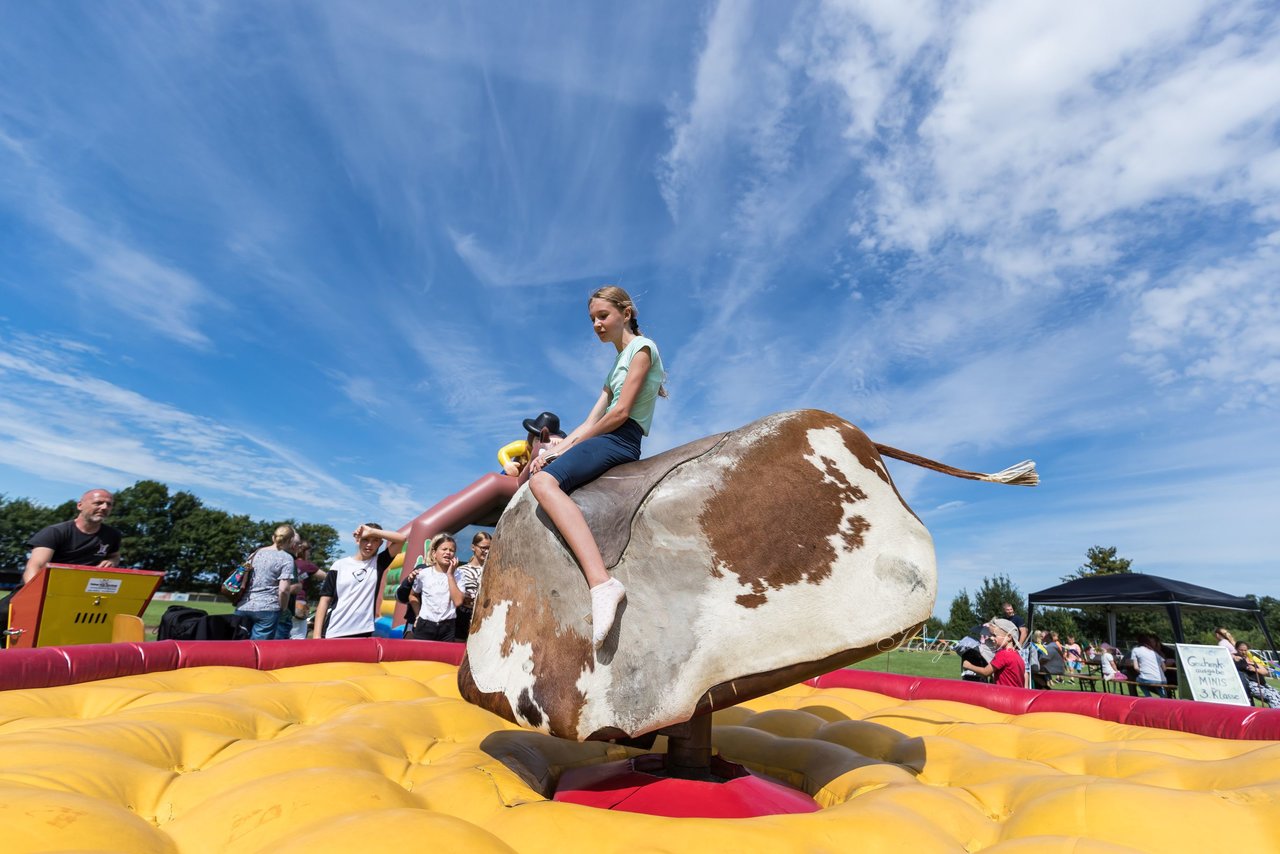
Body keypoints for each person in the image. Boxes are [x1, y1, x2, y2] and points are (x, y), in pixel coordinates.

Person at [528, 286, 666, 649]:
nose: (596, 324)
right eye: (592, 319)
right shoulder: (613, 367)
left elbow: (619, 414)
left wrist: (569, 448)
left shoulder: (643, 348)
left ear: (627, 312)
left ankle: (602, 583)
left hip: (621, 437)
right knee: (545, 470)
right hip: (604, 434)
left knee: (543, 484)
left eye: (602, 316)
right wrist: (559, 447)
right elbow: (590, 420)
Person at [314, 524, 404, 639]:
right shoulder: (339, 565)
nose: (369, 544)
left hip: (363, 631)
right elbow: (324, 600)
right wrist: (317, 635)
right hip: (334, 629)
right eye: (365, 539)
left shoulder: (378, 563)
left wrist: (371, 531)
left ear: (380, 543)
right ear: (357, 540)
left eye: (375, 540)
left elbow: (401, 539)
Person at [235, 525, 299, 640]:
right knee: (257, 649)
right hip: (268, 609)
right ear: (290, 541)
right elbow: (284, 590)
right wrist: (283, 608)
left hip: (244, 605)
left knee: (237, 646)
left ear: (273, 538)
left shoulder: (255, 554)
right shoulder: (286, 558)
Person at [409, 534, 464, 641]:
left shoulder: (459, 574)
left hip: (448, 627)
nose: (448, 552)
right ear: (434, 553)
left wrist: (450, 575)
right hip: (425, 624)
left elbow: (458, 601)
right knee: (421, 657)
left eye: (451, 550)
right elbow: (413, 596)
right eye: (444, 549)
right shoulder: (423, 574)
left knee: (444, 657)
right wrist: (417, 615)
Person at [961, 618, 1025, 687]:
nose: (991, 638)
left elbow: (986, 672)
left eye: (994, 635)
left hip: (1003, 694)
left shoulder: (1003, 654)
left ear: (1009, 637)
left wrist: (969, 666)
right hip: (1015, 695)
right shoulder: (1016, 654)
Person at [281, 541, 324, 640]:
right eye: (309, 551)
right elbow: (324, 576)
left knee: (284, 633)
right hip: (299, 602)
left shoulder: (287, 561)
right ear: (304, 551)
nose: (309, 554)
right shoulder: (307, 565)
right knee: (298, 635)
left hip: (284, 601)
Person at [503, 412, 567, 477]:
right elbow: (503, 452)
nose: (541, 443)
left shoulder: (548, 451)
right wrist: (508, 464)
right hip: (515, 475)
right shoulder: (523, 446)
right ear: (532, 437)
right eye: (538, 439)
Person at [453, 531, 491, 641]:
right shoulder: (460, 571)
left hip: (484, 618)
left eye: (489, 548)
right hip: (462, 617)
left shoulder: (493, 572)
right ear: (473, 547)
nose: (486, 551)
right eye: (483, 547)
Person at [1234, 640, 1280, 708]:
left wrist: (1255, 669)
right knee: (1271, 697)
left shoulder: (1250, 659)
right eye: (1241, 650)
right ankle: (1276, 715)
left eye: (1245, 650)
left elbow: (1265, 672)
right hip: (1252, 684)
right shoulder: (1236, 658)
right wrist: (1234, 656)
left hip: (1262, 684)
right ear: (1236, 649)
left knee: (1277, 694)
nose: (1243, 652)